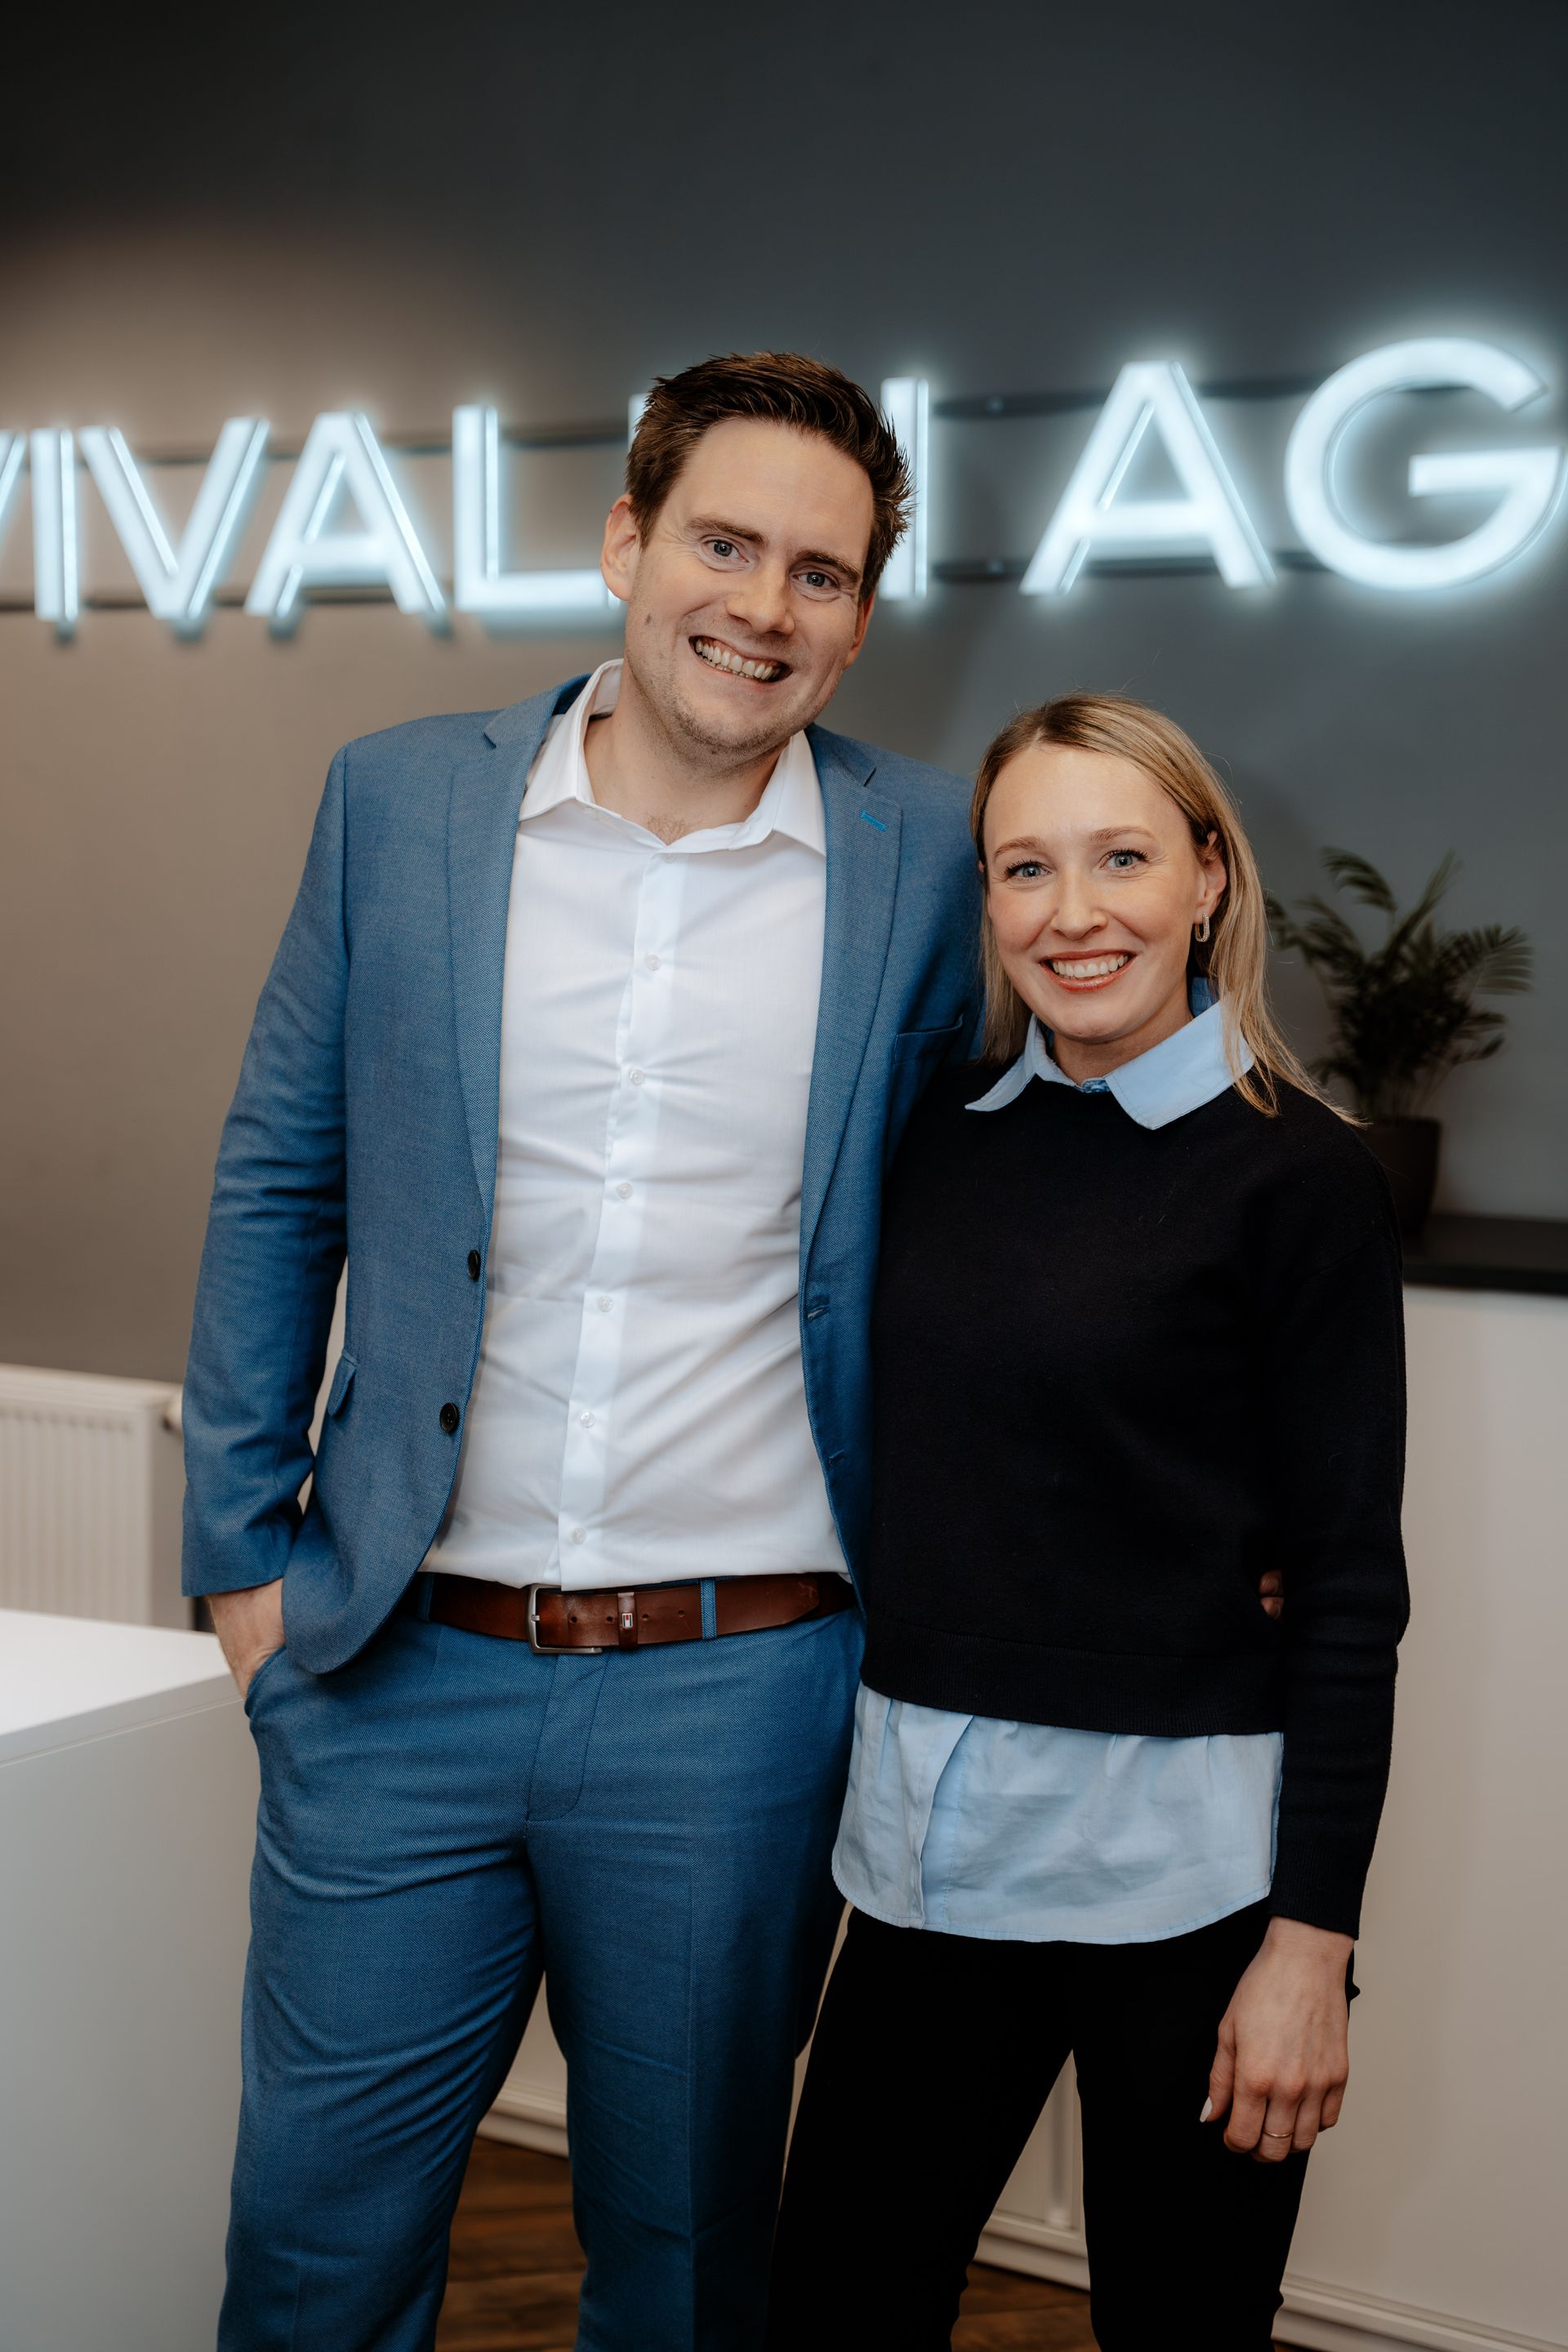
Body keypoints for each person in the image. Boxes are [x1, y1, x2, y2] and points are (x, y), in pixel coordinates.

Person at [181, 352, 986, 2352]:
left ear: (860, 613)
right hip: (393, 1673)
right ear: (627, 541)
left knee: (689, 2272)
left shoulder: (927, 857)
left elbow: (1029, 1211)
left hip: (742, 1693)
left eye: (822, 572)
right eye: (726, 543)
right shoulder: (401, 803)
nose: (765, 606)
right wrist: (239, 1572)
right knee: (311, 2261)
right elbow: (279, 1176)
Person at [768, 694, 1410, 2352]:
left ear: (1209, 876)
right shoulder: (928, 1139)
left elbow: (1349, 1586)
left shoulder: (1302, 1177)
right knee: (833, 2311)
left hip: (1186, 1877)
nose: (1074, 913)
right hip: (929, 1852)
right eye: (1025, 868)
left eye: (1122, 858)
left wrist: (1312, 1945)